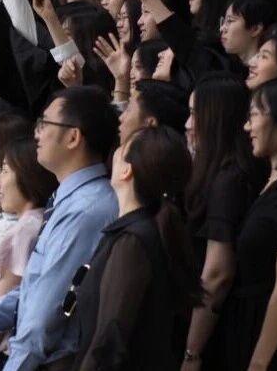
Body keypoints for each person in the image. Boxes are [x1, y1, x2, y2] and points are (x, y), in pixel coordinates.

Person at [0, 86, 120, 371]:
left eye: (45, 124)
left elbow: (44, 318)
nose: (37, 133)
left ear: (73, 137)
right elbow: (34, 291)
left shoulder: (86, 211)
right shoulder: (67, 202)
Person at [67, 126, 201, 370]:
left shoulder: (133, 242)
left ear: (127, 170)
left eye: (122, 148)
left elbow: (109, 337)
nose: (115, 152)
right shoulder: (140, 232)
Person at [182, 74, 264, 369]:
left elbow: (218, 273)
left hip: (221, 332)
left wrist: (192, 352)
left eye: (195, 114)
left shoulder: (228, 181)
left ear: (216, 117)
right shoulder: (225, 172)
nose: (188, 124)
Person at [219, 78, 277, 369]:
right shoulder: (268, 181)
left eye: (253, 116)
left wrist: (259, 363)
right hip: (247, 324)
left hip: (271, 342)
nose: (247, 127)